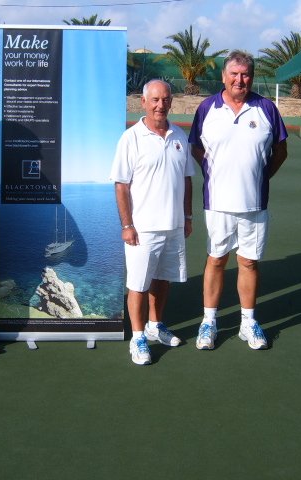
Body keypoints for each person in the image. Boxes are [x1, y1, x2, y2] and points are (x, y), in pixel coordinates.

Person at [188, 50, 288, 351]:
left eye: (245, 75)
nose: (239, 80)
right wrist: (213, 172)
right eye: (234, 74)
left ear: (252, 77)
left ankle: (248, 322)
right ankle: (209, 321)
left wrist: (260, 177)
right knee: (216, 260)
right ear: (223, 76)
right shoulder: (207, 108)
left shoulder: (266, 109)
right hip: (217, 204)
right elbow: (196, 148)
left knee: (248, 262)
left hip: (254, 205)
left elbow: (281, 152)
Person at [110, 79, 195, 365]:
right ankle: (138, 338)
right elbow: (121, 185)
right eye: (155, 100)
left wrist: (187, 217)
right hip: (142, 230)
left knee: (163, 280)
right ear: (144, 102)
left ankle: (155, 326)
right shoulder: (131, 138)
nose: (161, 105)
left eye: (165, 99)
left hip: (174, 226)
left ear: (171, 101)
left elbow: (187, 180)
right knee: (138, 285)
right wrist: (127, 225)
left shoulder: (180, 136)